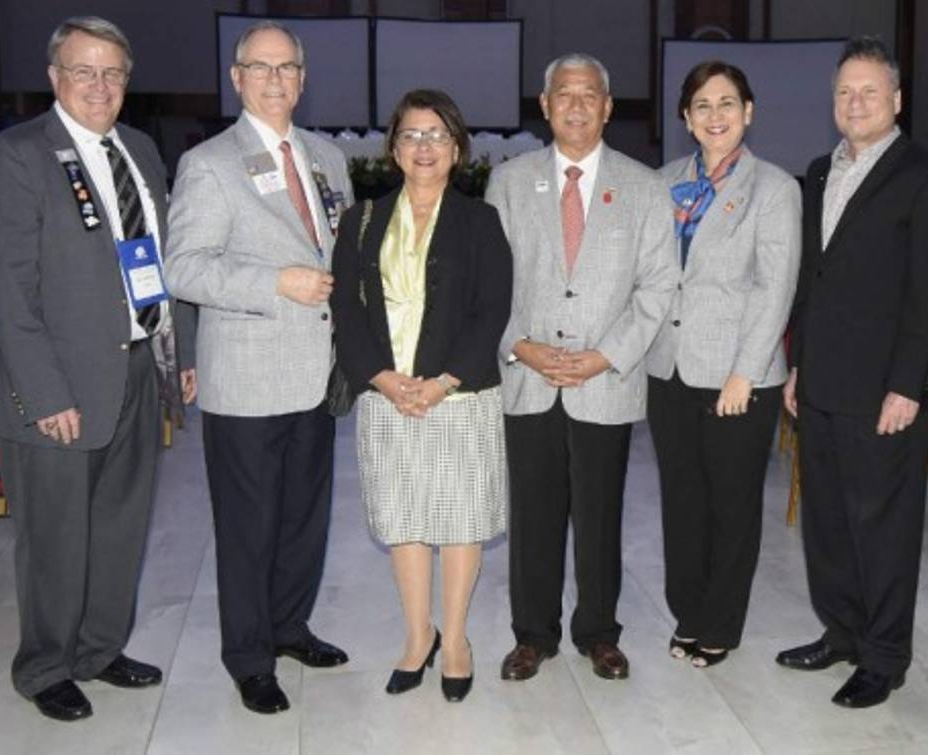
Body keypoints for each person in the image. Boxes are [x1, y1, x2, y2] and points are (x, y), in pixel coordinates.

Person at [0, 15, 196, 722]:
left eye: (113, 73)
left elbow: (160, 261)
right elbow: (8, 287)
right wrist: (43, 392)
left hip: (136, 371)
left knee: (120, 525)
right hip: (59, 388)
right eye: (84, 71)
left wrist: (178, 353)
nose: (100, 86)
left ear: (128, 82)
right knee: (56, 536)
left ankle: (100, 648)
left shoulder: (139, 149)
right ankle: (45, 664)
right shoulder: (17, 155)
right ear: (53, 77)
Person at [164, 20, 351, 715]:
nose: (276, 80)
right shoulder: (210, 162)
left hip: (316, 371)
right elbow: (185, 267)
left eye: (288, 68)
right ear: (237, 78)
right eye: (261, 68)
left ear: (302, 79)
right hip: (246, 374)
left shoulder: (328, 157)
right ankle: (249, 655)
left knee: (305, 514)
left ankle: (290, 624)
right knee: (249, 523)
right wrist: (276, 283)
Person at [777, 36, 928, 708]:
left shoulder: (926, 175)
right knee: (827, 521)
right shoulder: (820, 171)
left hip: (886, 389)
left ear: (897, 100)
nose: (856, 103)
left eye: (870, 91)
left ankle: (884, 656)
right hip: (821, 380)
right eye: (845, 92)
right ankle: (841, 631)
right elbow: (812, 280)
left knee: (881, 528)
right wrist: (796, 365)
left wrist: (910, 384)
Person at [486, 53, 679, 682]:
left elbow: (658, 287)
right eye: (563, 94)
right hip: (530, 377)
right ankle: (531, 635)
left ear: (607, 106)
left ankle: (599, 630)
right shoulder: (509, 182)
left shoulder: (645, 186)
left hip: (606, 382)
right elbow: (487, 288)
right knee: (534, 517)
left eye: (588, 94)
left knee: (601, 516)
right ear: (543, 106)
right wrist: (521, 345)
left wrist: (606, 355)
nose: (575, 104)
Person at [330, 89, 512, 703]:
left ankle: (456, 640)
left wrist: (441, 381)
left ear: (457, 148)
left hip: (457, 396)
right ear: (393, 149)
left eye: (437, 135)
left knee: (459, 521)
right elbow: (345, 312)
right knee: (404, 520)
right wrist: (379, 377)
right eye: (412, 134)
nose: (425, 146)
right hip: (387, 396)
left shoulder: (481, 220)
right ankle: (418, 636)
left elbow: (492, 310)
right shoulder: (361, 220)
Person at [646, 60, 801, 668]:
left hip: (741, 377)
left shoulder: (774, 188)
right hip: (671, 370)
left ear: (749, 112)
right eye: (702, 105)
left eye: (727, 103)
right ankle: (688, 609)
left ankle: (719, 623)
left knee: (731, 506)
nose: (716, 115)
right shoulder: (661, 182)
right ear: (686, 118)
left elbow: (775, 286)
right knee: (681, 502)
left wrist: (745, 370)